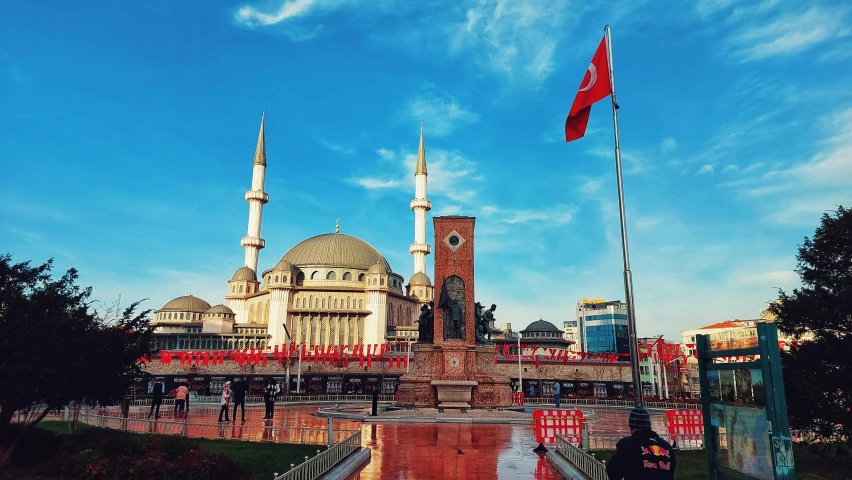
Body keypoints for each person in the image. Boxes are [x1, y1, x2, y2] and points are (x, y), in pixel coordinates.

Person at [606, 407, 676, 480]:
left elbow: (614, 473)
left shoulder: (627, 444)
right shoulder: (667, 447)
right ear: (649, 426)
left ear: (631, 427)